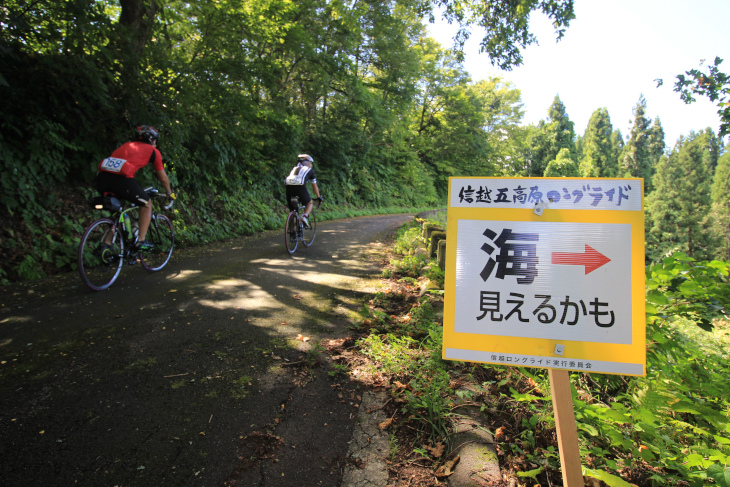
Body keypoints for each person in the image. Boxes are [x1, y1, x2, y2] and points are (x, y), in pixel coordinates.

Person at [96, 125, 174, 251]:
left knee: (118, 212)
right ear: (153, 140)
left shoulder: (126, 146)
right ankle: (141, 241)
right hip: (122, 181)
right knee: (147, 204)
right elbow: (163, 178)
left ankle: (107, 243)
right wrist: (169, 193)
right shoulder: (153, 151)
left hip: (102, 179)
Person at [285, 154, 322, 228]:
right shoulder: (310, 170)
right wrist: (319, 197)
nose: (311, 165)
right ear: (307, 162)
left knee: (292, 210)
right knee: (309, 203)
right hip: (300, 186)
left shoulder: (294, 168)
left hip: (288, 186)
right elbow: (314, 186)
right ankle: (304, 216)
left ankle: (292, 233)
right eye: (311, 163)